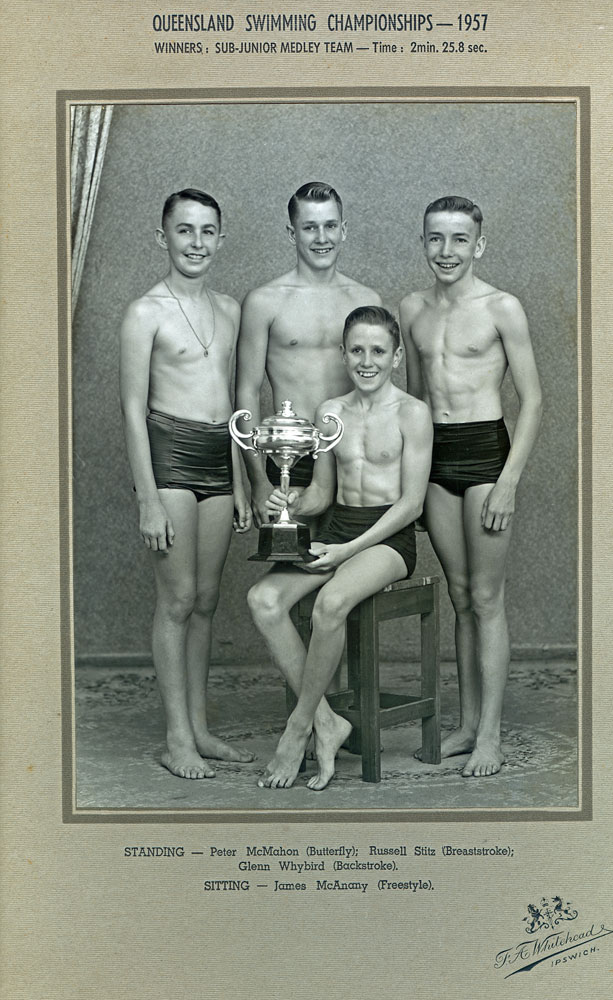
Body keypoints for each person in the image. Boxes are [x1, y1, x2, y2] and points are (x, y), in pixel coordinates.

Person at [247, 306, 433, 790]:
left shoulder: (413, 413)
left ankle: (298, 729)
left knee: (329, 604)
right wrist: (290, 501)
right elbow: (323, 494)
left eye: (378, 351)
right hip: (338, 528)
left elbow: (412, 504)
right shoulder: (330, 412)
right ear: (343, 354)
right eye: (357, 350)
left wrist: (348, 550)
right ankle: (328, 722)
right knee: (263, 600)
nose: (367, 361)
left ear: (396, 357)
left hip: (387, 539)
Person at [399, 195, 543, 777]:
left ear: (478, 245)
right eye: (436, 238)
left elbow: (533, 400)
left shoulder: (502, 308)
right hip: (435, 459)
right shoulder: (412, 308)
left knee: (486, 598)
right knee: (459, 595)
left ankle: (491, 735)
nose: (447, 250)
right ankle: (465, 723)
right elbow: (412, 403)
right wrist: (407, 484)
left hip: (485, 453)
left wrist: (508, 481)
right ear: (423, 242)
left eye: (459, 239)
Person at [119, 188, 254, 780]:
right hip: (169, 456)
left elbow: (229, 402)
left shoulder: (229, 309)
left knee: (205, 599)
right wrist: (148, 499)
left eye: (207, 232)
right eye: (184, 230)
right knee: (175, 599)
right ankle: (176, 738)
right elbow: (131, 409)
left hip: (218, 458)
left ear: (221, 239)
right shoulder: (144, 312)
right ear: (163, 237)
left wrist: (240, 481)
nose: (196, 243)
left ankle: (199, 728)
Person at [236, 181, 381, 528]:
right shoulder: (264, 302)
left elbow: (381, 390)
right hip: (291, 456)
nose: (322, 237)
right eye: (310, 227)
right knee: (294, 559)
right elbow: (246, 393)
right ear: (292, 233)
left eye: (330, 225)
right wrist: (258, 481)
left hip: (355, 453)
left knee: (352, 559)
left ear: (343, 229)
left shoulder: (367, 301)